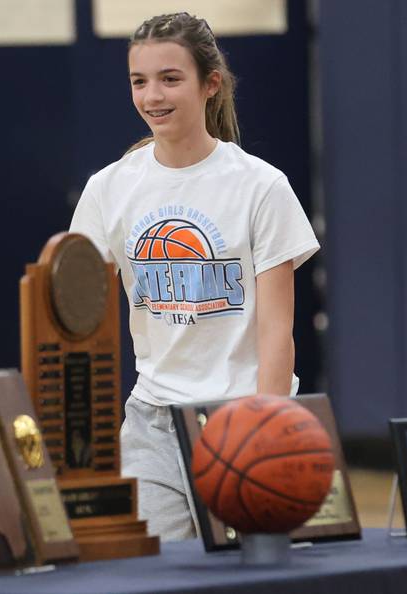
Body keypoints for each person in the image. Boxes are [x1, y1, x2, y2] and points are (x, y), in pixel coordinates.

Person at [69, 13, 319, 541]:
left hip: (245, 414)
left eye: (170, 78)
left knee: (249, 576)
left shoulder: (262, 186)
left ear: (211, 84)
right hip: (153, 423)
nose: (152, 95)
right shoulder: (108, 189)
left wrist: (267, 430)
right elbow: (79, 322)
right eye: (140, 81)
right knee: (153, 573)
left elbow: (277, 330)